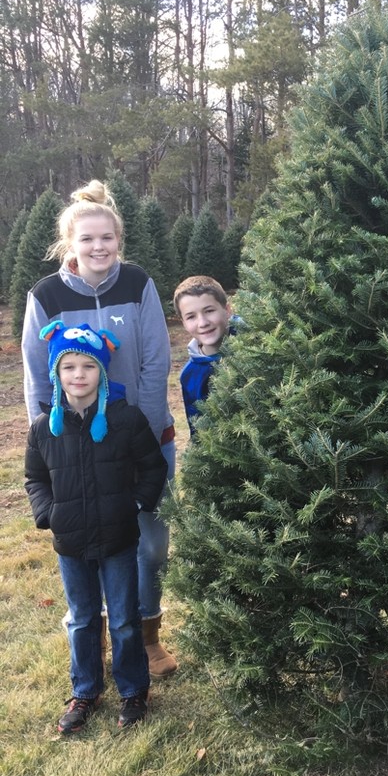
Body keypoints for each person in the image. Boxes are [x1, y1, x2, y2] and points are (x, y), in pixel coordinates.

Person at [21, 180, 178, 677]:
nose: (98, 247)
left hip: (140, 440)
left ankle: (146, 633)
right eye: (88, 239)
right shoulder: (44, 295)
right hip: (78, 447)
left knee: (149, 546)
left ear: (119, 239)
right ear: (71, 243)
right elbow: (35, 376)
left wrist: (148, 433)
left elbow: (156, 359)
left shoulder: (137, 284)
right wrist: (51, 442)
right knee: (87, 539)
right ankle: (89, 636)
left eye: (107, 238)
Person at [24, 321, 168, 732]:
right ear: (56, 374)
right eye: (68, 367)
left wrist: (135, 504)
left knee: (123, 617)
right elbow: (35, 479)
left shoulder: (126, 420)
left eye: (87, 366)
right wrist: (49, 514)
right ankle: (85, 690)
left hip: (119, 538)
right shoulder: (44, 428)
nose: (78, 375)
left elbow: (152, 467)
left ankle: (133, 689)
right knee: (83, 617)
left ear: (102, 373)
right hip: (70, 542)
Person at [173, 275, 237, 436]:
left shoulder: (256, 343)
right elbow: (198, 431)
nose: (202, 323)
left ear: (227, 310)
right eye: (191, 316)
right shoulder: (190, 375)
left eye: (209, 311)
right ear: (183, 323)